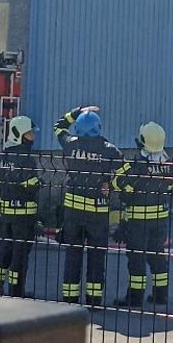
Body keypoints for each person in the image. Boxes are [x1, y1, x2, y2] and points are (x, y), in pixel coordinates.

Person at [54, 104, 122, 309]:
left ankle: (69, 299)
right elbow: (125, 170)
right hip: (97, 212)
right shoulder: (108, 149)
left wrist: (77, 111)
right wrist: (109, 184)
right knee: (96, 255)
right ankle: (94, 300)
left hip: (73, 210)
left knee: (73, 254)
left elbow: (59, 126)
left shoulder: (70, 144)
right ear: (99, 127)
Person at [117, 122, 173, 310]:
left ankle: (134, 299)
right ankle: (161, 296)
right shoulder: (167, 164)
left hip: (138, 222)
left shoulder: (138, 165)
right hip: (160, 220)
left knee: (137, 260)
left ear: (142, 140)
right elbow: (172, 186)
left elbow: (125, 190)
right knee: (157, 256)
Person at [0, 115, 41, 296]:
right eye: (30, 132)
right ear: (20, 134)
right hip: (24, 214)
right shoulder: (26, 158)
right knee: (20, 255)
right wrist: (38, 182)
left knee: (6, 249)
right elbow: (31, 186)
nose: (33, 136)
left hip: (7, 213)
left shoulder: (3, 155)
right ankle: (17, 292)